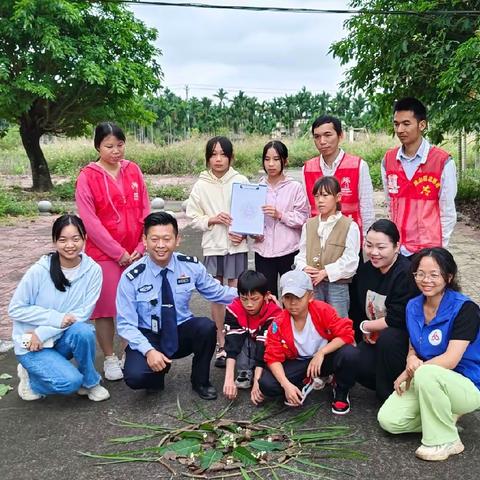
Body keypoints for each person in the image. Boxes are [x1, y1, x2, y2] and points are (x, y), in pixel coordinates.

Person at [116, 212, 238, 400]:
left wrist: (252, 296)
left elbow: (219, 293)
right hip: (149, 335)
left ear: (177, 239)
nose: (161, 245)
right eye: (154, 239)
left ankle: (200, 381)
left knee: (205, 327)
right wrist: (148, 351)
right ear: (145, 240)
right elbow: (125, 324)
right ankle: (156, 375)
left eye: (167, 238)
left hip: (180, 331)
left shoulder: (190, 266)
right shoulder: (132, 276)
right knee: (135, 377)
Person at [378, 248, 480, 461]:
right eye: (420, 274)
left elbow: (451, 360)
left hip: (468, 384)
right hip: (428, 379)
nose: (426, 280)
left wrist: (409, 373)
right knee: (389, 421)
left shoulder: (465, 309)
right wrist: (410, 358)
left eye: (434, 274)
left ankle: (445, 441)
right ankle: (444, 420)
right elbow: (414, 342)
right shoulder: (413, 305)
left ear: (448, 277)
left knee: (426, 373)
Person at [75, 122, 150, 381]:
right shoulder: (88, 176)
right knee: (105, 308)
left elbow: (145, 210)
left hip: (136, 252)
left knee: (137, 305)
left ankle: (130, 351)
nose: (116, 151)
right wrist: (117, 252)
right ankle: (109, 357)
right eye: (109, 146)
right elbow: (90, 222)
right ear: (97, 146)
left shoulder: (133, 170)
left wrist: (142, 245)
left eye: (120, 145)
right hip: (105, 254)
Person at [8, 215, 109, 402]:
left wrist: (44, 331)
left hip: (54, 336)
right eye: (63, 240)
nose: (70, 245)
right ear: (54, 242)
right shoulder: (39, 270)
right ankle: (30, 378)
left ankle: (90, 382)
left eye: (75, 239)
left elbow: (82, 314)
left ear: (85, 239)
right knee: (69, 383)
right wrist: (51, 321)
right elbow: (15, 309)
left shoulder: (93, 270)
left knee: (84, 331)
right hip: (29, 342)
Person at [186, 136, 249, 368]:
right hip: (213, 246)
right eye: (213, 154)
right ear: (208, 158)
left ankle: (236, 340)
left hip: (236, 246)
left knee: (235, 293)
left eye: (223, 154)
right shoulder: (201, 185)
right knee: (216, 294)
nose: (218, 159)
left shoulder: (241, 181)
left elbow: (251, 214)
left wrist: (243, 232)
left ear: (231, 157)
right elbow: (192, 217)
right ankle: (221, 343)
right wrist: (211, 219)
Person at [259, 270, 358, 415]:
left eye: (298, 297)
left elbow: (346, 334)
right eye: (288, 297)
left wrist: (321, 352)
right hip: (299, 362)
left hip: (324, 359)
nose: (293, 303)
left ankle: (341, 389)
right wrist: (286, 385)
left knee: (350, 353)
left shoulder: (323, 310)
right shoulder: (278, 322)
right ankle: (302, 382)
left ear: (310, 296)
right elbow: (272, 357)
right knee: (267, 385)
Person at [347, 219, 419, 401]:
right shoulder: (365, 271)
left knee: (389, 338)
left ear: (396, 246)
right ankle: (384, 384)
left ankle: (390, 395)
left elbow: (397, 318)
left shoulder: (405, 274)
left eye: (381, 247)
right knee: (352, 360)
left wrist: (367, 326)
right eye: (369, 245)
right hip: (372, 336)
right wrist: (360, 333)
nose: (374, 252)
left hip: (401, 340)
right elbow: (356, 308)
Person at [381, 97, 457, 256]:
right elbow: (390, 204)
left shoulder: (442, 162)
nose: (400, 129)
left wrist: (439, 252)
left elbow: (447, 211)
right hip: (398, 249)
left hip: (428, 249)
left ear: (422, 125)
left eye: (406, 124)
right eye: (396, 124)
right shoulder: (388, 160)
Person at [294, 176, 360, 318]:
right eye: (317, 196)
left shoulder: (349, 225)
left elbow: (351, 260)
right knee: (314, 322)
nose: (320, 200)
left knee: (338, 322)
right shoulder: (309, 225)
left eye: (325, 195)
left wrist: (326, 272)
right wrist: (304, 267)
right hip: (312, 284)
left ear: (338, 197)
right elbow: (301, 254)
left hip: (337, 285)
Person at [252, 141, 310, 298]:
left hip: (289, 251)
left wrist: (281, 215)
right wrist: (253, 232)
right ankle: (271, 324)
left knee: (291, 296)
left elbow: (303, 218)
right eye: (267, 159)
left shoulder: (295, 187)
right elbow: (251, 218)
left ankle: (291, 323)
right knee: (267, 297)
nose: (271, 164)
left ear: (285, 161)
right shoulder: (257, 188)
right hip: (263, 251)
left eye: (276, 159)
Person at [303, 115, 375, 240]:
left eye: (328, 135)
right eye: (317, 137)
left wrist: (367, 239)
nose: (322, 141)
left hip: (350, 240)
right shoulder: (307, 169)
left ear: (340, 135)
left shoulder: (358, 166)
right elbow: (306, 209)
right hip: (319, 240)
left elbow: (366, 208)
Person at [222, 270, 282, 404]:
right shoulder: (233, 308)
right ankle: (244, 370)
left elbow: (264, 346)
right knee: (238, 337)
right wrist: (229, 378)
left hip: (267, 351)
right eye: (244, 299)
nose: (249, 304)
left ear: (266, 295)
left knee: (266, 347)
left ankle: (258, 373)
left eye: (255, 299)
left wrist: (257, 383)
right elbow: (232, 344)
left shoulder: (274, 312)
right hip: (248, 345)